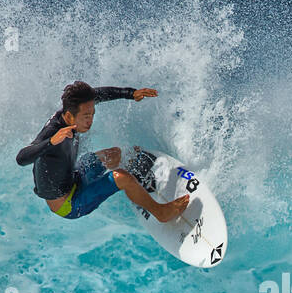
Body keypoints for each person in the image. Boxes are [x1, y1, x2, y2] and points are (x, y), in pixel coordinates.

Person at [16, 81, 190, 222]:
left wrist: (131, 93)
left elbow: (98, 94)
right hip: (69, 203)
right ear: (69, 116)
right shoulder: (53, 132)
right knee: (120, 176)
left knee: (114, 154)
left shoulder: (75, 109)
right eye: (86, 116)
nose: (90, 120)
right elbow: (21, 158)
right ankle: (161, 213)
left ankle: (136, 180)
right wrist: (52, 142)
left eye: (92, 114)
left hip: (74, 177)